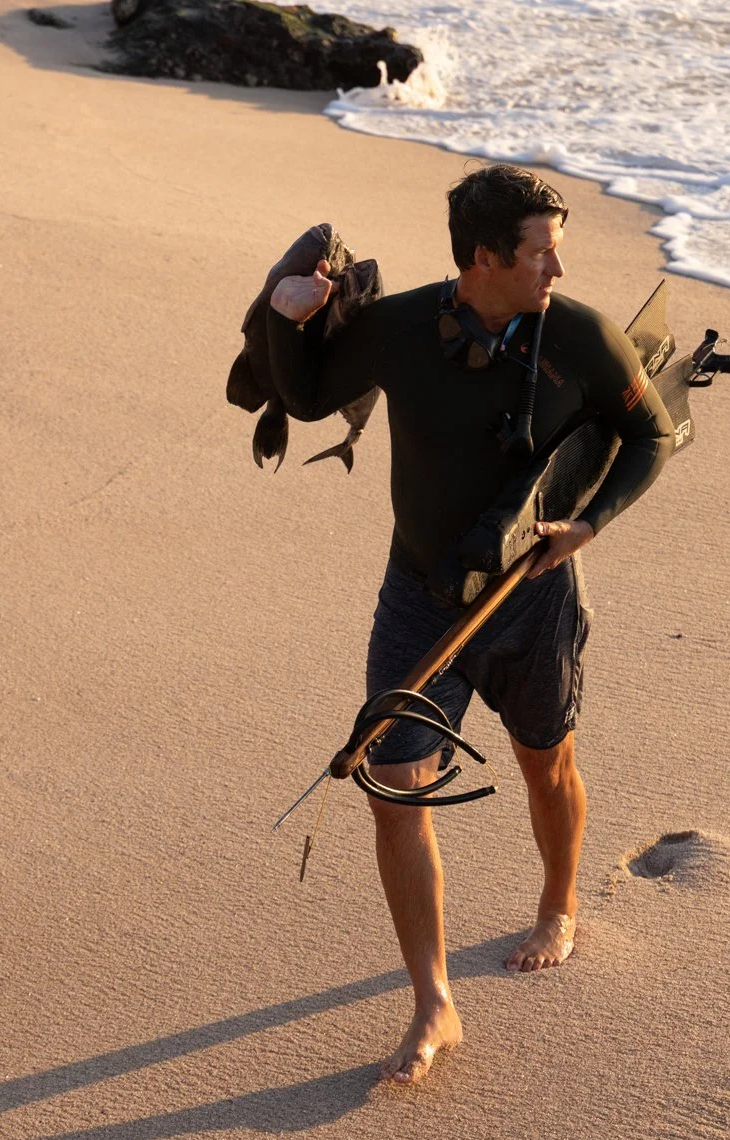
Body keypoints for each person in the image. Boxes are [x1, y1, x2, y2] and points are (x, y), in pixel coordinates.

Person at [267, 165, 677, 1084]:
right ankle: (433, 1000)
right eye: (541, 253)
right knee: (394, 781)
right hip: (419, 596)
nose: (556, 270)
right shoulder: (403, 327)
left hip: (532, 592)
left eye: (557, 251)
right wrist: (288, 317)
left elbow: (652, 434)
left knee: (547, 761)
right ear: (487, 257)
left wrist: (588, 523)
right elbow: (302, 397)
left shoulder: (581, 336)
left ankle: (558, 904)